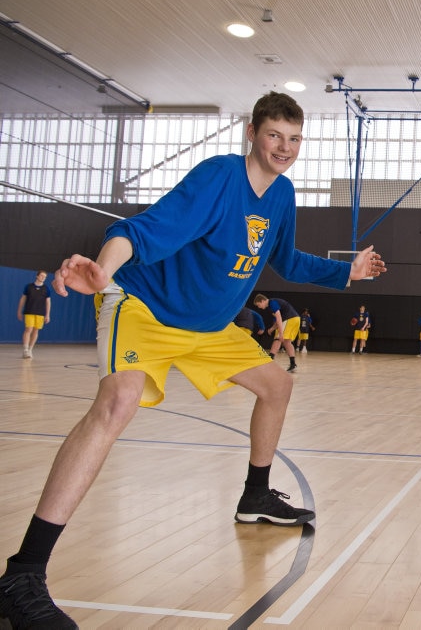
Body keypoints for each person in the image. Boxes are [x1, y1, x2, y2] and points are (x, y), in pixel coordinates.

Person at [0, 91, 386, 629]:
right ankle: (23, 573)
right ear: (253, 133)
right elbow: (141, 230)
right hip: (145, 308)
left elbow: (288, 260)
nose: (285, 148)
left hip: (206, 327)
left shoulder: (282, 195)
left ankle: (255, 496)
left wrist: (347, 273)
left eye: (295, 139)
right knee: (118, 404)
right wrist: (104, 271)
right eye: (275, 135)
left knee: (278, 386)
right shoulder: (218, 177)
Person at [252, 294, 300, 371]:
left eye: (258, 305)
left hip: (290, 319)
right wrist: (272, 328)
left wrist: (281, 334)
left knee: (278, 339)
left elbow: (279, 318)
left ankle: (269, 361)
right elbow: (278, 319)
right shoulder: (272, 305)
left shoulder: (272, 303)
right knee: (287, 342)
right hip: (295, 319)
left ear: (262, 301)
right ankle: (293, 363)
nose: (259, 307)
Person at [17, 270, 51, 359]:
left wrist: (47, 314)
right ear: (37, 276)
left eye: (45, 277)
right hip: (29, 311)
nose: (43, 278)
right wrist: (19, 311)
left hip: (40, 313)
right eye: (42, 276)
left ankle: (30, 350)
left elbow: (48, 302)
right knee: (28, 329)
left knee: (36, 331)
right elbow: (22, 299)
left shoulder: (46, 289)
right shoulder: (28, 287)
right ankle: (25, 349)